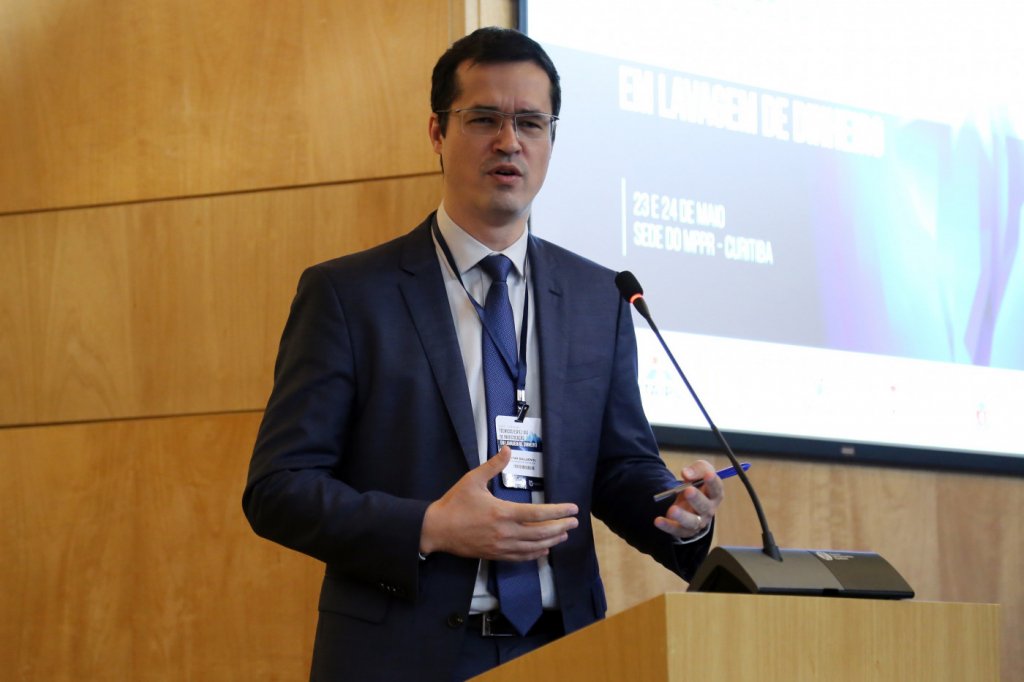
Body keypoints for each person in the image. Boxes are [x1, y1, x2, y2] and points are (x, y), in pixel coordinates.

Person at [243, 26, 724, 682]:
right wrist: (431, 526)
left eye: (530, 122)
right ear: (437, 132)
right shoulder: (351, 295)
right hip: (399, 658)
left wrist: (678, 511)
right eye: (484, 119)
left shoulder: (599, 297)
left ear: (551, 139)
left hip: (566, 652)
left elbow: (617, 468)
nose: (509, 141)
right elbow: (279, 489)